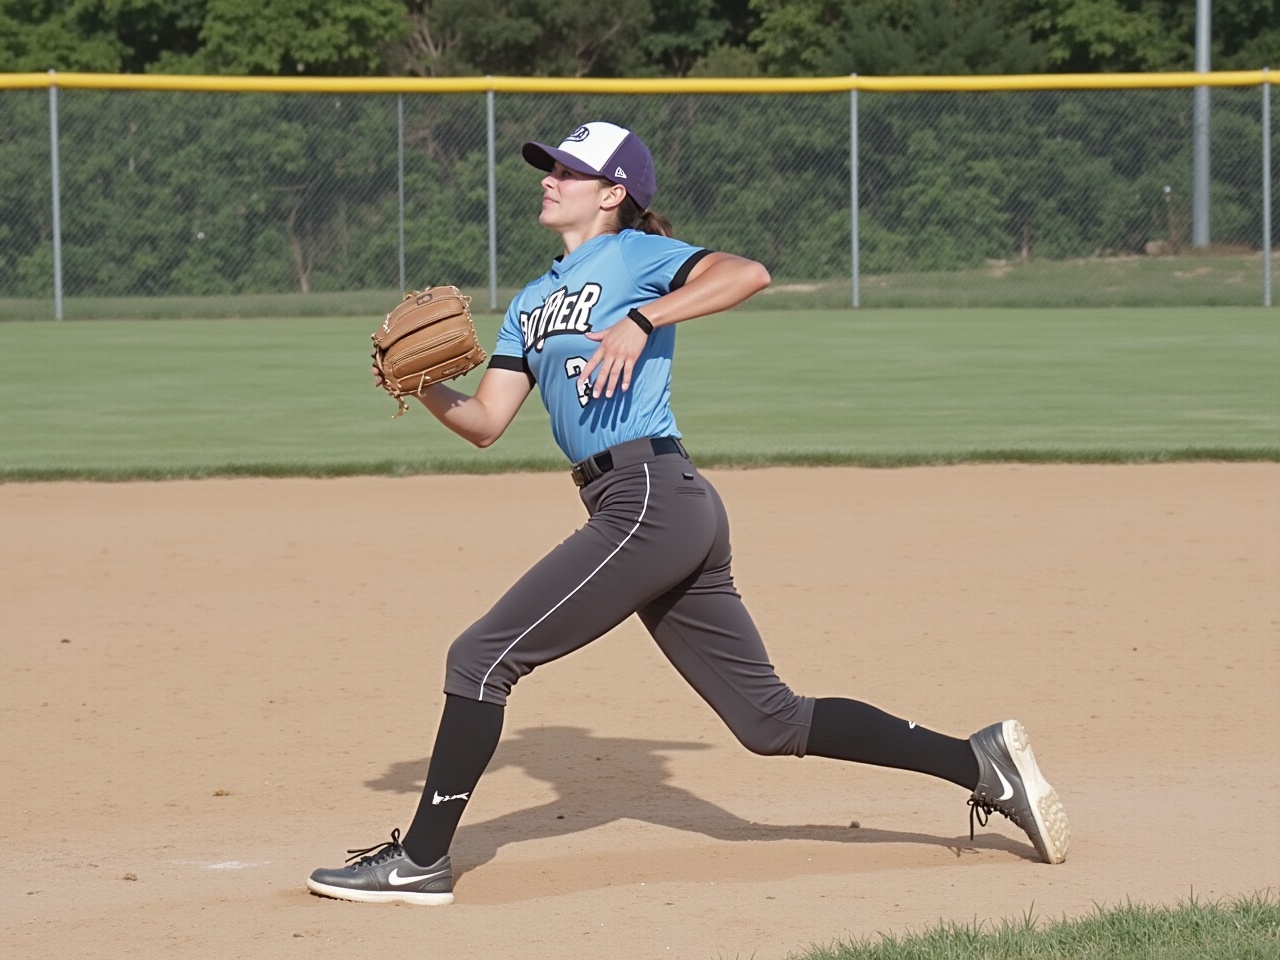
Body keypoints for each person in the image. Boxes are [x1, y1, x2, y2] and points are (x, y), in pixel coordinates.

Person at [306, 121, 1069, 906]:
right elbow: (486, 424)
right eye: (551, 167)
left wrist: (645, 319)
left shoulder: (636, 256)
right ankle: (980, 763)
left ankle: (422, 860)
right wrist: (422, 385)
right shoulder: (530, 304)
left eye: (570, 170)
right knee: (770, 720)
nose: (550, 178)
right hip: (646, 505)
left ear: (614, 194)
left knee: (480, 659)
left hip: (649, 499)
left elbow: (749, 273)